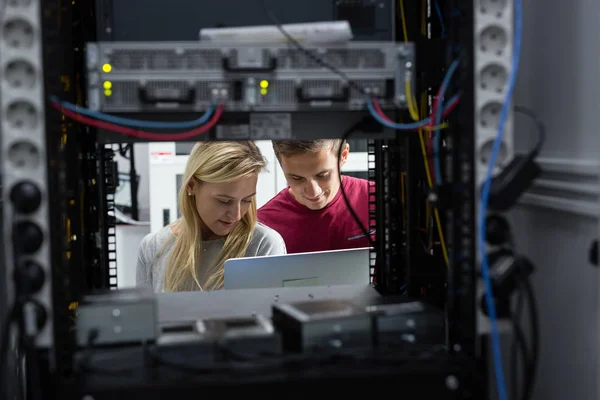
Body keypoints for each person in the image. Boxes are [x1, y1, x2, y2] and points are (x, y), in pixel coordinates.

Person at [136, 141, 287, 292]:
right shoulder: (153, 247)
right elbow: (143, 314)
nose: (237, 214)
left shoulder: (264, 245)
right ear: (191, 185)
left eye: (247, 200)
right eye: (224, 201)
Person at [257, 139, 373, 254]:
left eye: (323, 175)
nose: (313, 192)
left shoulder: (380, 199)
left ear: (343, 155)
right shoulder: (263, 228)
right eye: (297, 178)